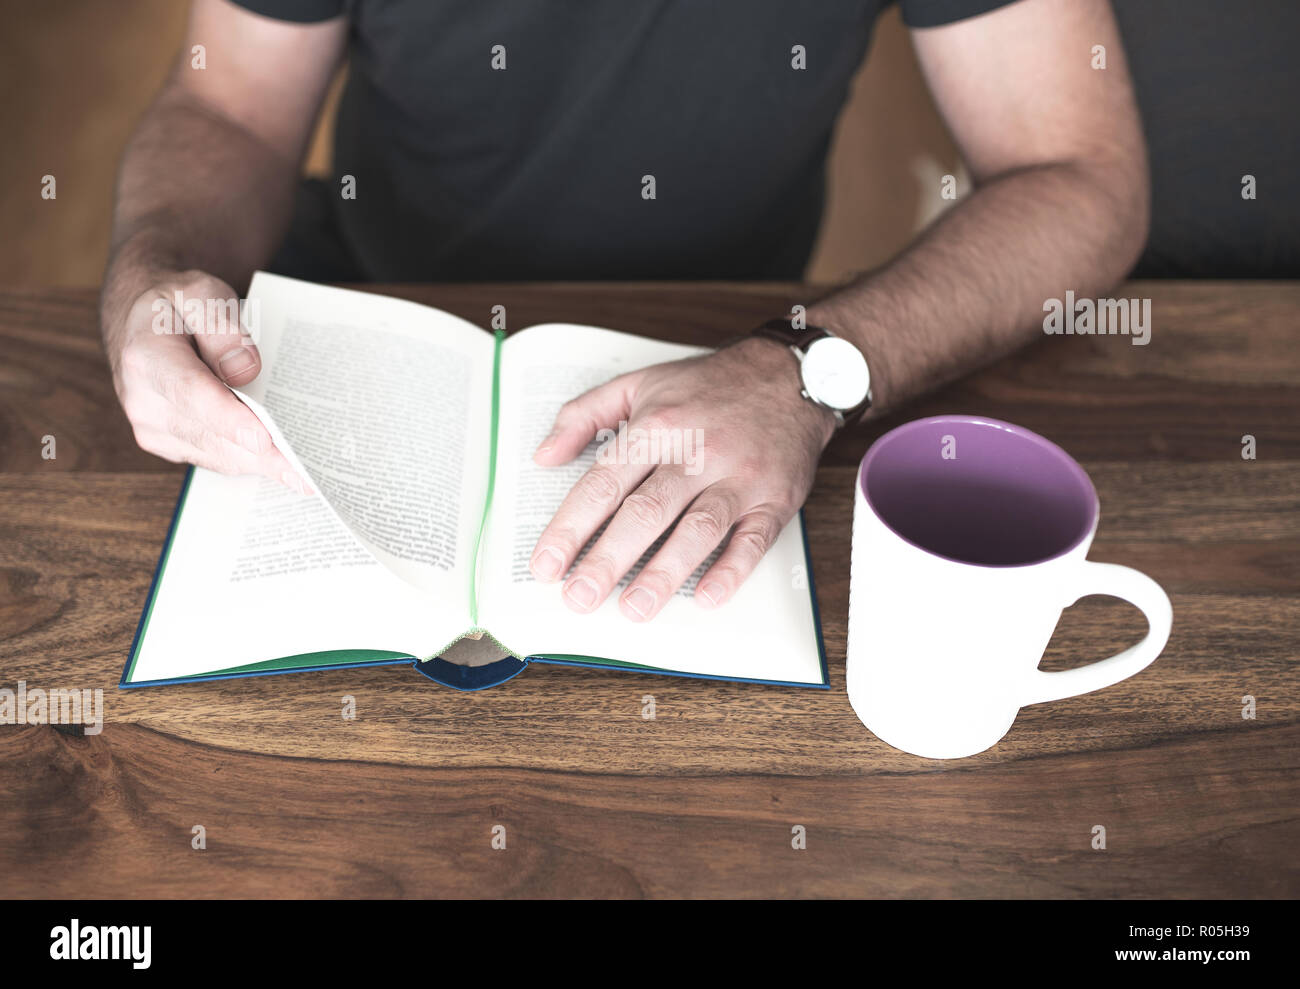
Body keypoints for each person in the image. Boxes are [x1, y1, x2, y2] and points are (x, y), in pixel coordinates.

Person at [101, 0, 1148, 622]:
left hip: (743, 357)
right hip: (368, 314)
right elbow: (226, 102)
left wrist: (812, 369)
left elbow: (1080, 176)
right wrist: (150, 272)